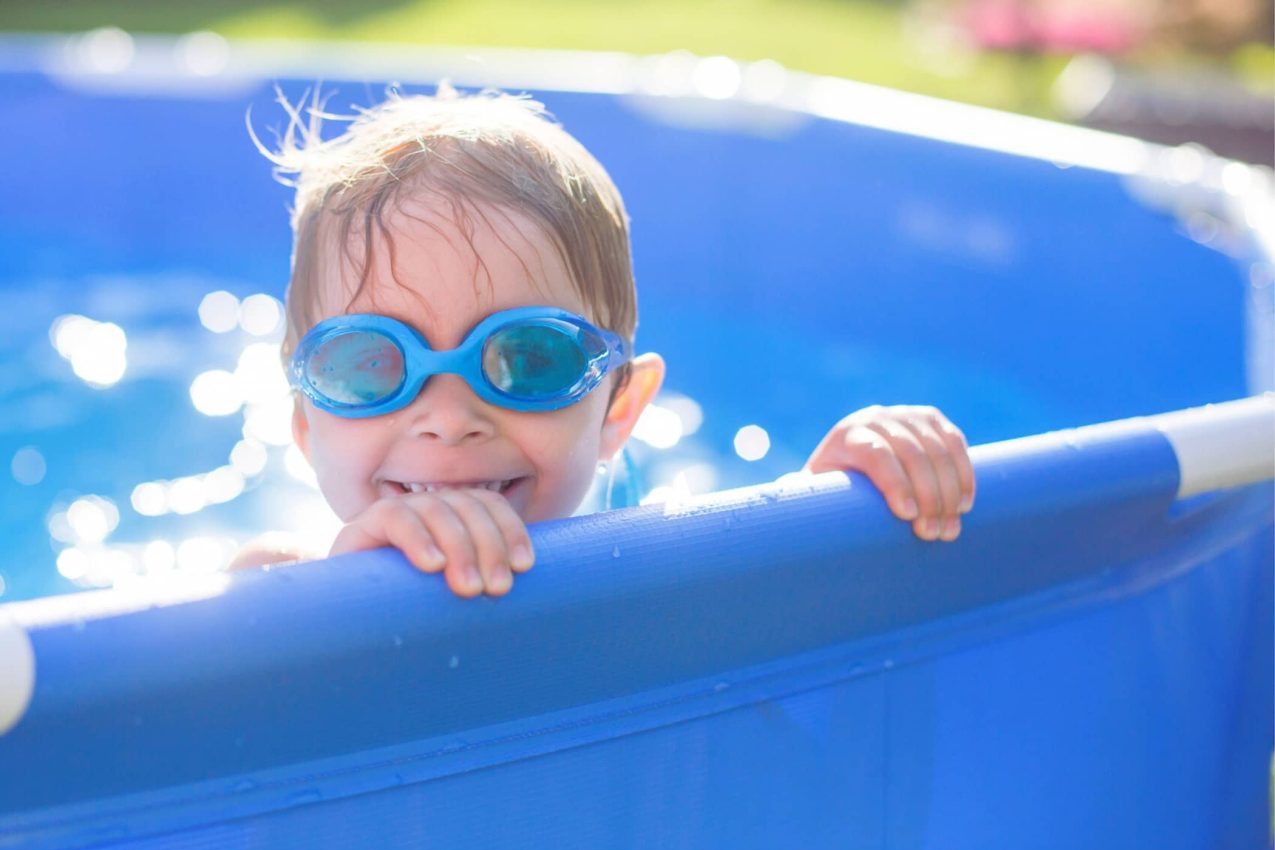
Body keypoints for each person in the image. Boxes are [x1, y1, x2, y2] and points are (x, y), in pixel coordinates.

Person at [232, 87, 976, 597]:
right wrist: (347, 603)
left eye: (527, 359)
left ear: (619, 408)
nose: (448, 415)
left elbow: (786, 665)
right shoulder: (268, 590)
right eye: (371, 365)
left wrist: (835, 510)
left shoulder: (661, 592)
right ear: (304, 421)